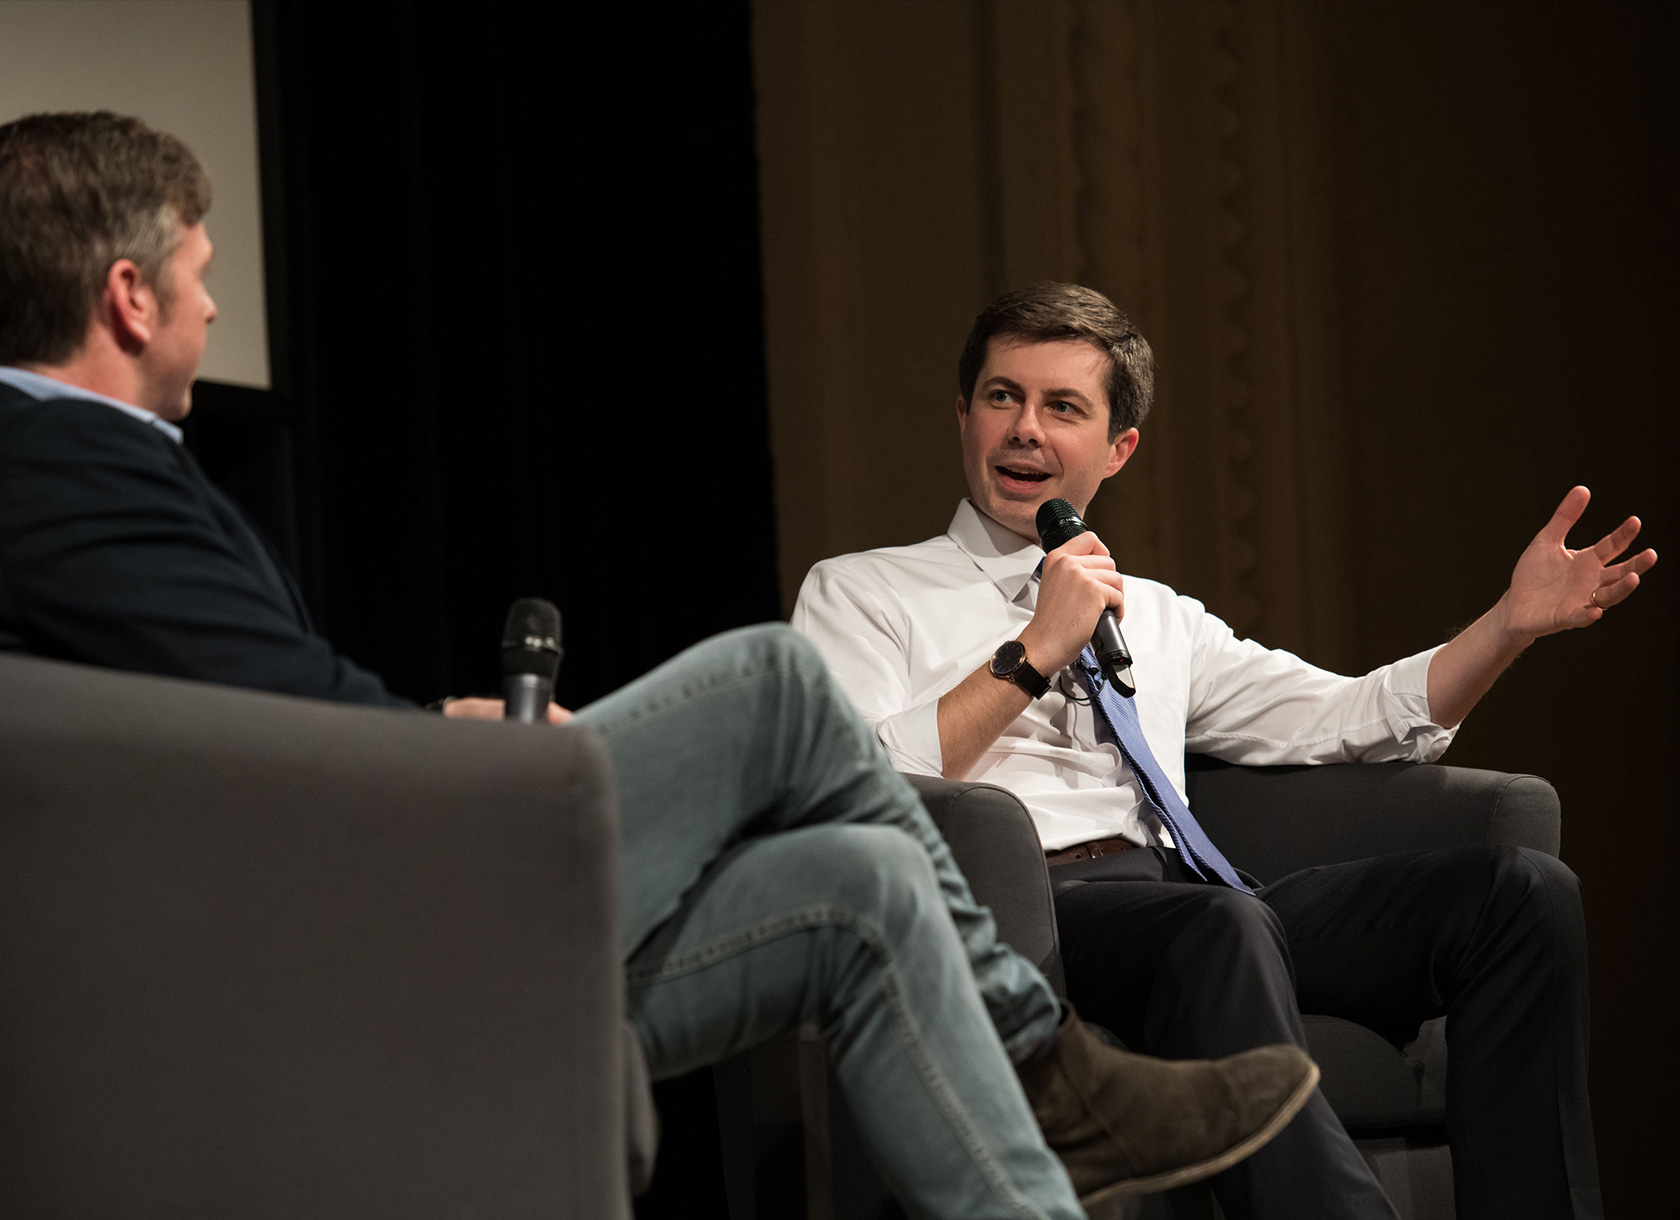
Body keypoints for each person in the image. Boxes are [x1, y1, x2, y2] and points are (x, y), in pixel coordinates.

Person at [0, 113, 1324, 1218]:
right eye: (200, 271)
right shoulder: (62, 468)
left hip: (353, 886)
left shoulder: (84, 476)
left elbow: (233, 709)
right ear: (129, 294)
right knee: (775, 683)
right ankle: (1042, 1057)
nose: (216, 300)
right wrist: (439, 746)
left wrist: (423, 723)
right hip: (352, 926)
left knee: (864, 882)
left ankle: (1047, 1141)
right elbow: (271, 733)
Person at [793, 282, 1657, 1220]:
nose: (1025, 430)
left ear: (1119, 447)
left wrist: (1508, 626)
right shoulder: (864, 592)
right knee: (1221, 929)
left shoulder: (1158, 616)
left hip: (1186, 904)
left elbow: (1350, 718)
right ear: (963, 415)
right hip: (1027, 918)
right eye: (1002, 398)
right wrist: (1035, 650)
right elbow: (859, 788)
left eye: (1063, 408)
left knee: (1519, 895)